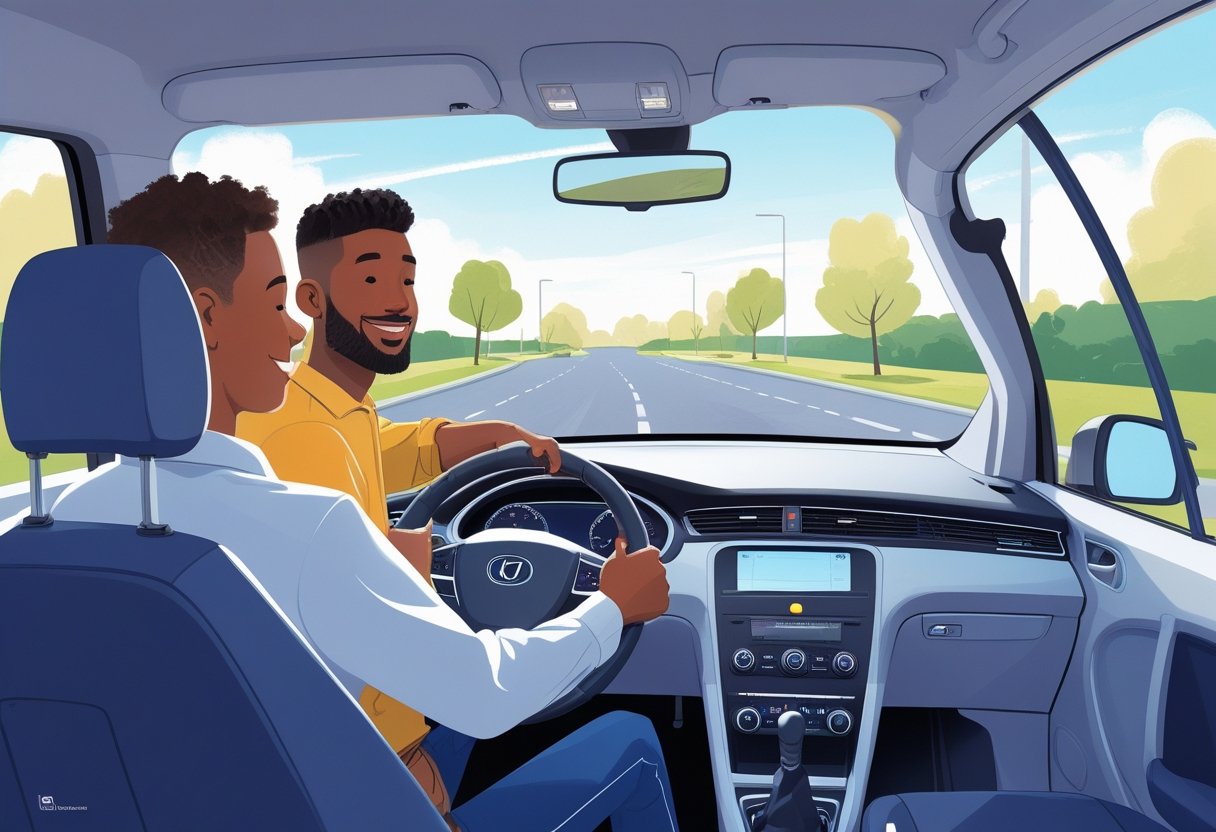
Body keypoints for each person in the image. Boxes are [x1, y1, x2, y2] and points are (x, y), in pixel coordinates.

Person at [49, 173, 678, 832]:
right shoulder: (308, 524)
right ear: (207, 318)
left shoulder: (55, 524)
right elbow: (486, 693)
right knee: (631, 740)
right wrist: (614, 606)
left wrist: (466, 443)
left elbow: (368, 444)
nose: (292, 332)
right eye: (275, 302)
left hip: (212, 795)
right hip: (351, 790)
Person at [236, 189, 561, 777]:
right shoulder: (307, 435)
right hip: (371, 754)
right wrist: (413, 568)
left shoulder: (331, 409)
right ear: (312, 299)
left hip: (379, 722)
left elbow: (399, 447)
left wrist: (498, 434)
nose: (398, 302)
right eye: (370, 280)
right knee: (631, 741)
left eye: (407, 281)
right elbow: (356, 623)